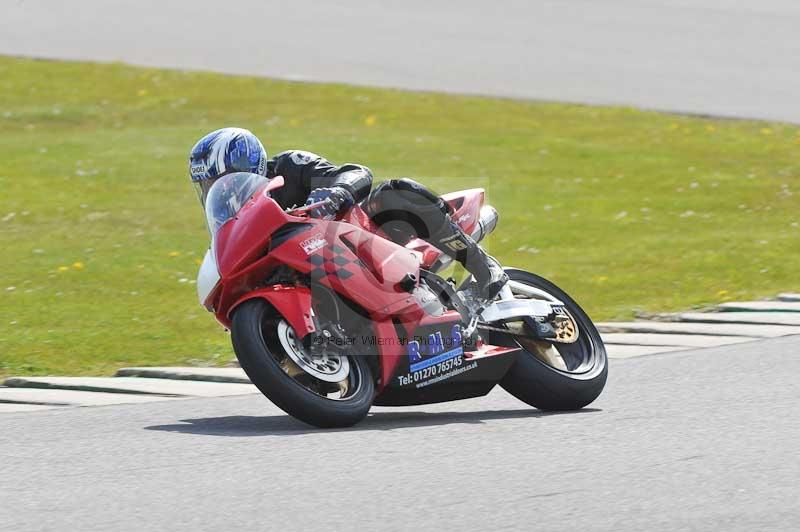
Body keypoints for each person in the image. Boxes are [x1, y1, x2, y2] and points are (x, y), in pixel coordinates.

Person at [189, 127, 507, 300]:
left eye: (221, 180)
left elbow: (356, 172)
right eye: (208, 185)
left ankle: (483, 265)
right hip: (320, 274)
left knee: (395, 192)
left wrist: (334, 193)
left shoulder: (290, 165)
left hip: (364, 242)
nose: (219, 189)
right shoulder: (233, 219)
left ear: (250, 167)